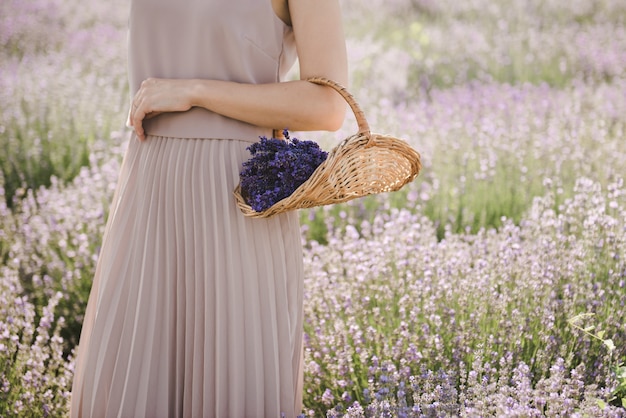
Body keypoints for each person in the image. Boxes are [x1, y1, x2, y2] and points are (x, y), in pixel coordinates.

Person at [69, 0, 348, 416]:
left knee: (226, 377)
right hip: (150, 186)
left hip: (232, 195)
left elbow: (328, 104)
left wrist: (195, 90)